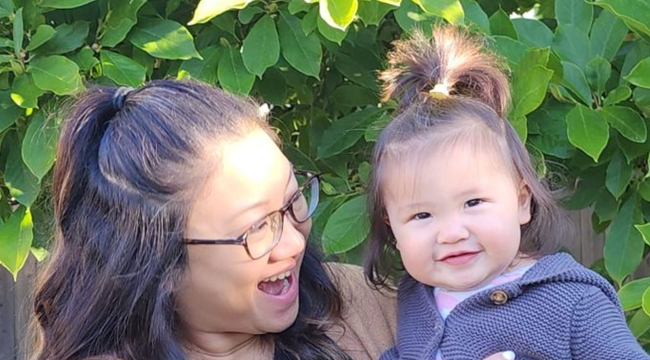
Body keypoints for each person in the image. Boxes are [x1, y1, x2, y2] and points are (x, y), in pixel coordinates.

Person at [30, 79, 516, 360]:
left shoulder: (374, 304)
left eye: (291, 201)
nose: (293, 243)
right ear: (158, 265)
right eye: (256, 228)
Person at [364, 25, 650, 360]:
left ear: (522, 200)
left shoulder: (573, 302)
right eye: (421, 215)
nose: (452, 233)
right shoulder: (415, 300)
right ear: (392, 226)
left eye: (473, 202)